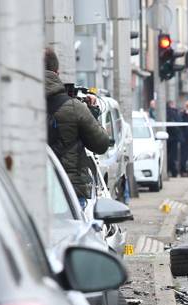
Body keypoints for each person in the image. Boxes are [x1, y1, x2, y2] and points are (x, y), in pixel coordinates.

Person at [44, 47, 110, 208]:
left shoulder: (16, 104)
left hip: (24, 192)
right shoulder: (74, 107)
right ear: (56, 72)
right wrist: (92, 112)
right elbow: (101, 144)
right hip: (68, 191)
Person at [166, 100, 181, 177]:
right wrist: (177, 132)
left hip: (168, 138)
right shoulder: (173, 113)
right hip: (173, 138)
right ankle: (173, 172)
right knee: (173, 156)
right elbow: (177, 124)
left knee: (168, 155)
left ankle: (169, 170)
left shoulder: (166, 112)